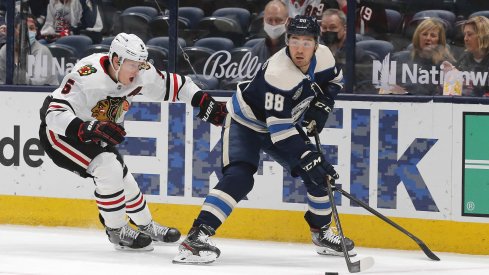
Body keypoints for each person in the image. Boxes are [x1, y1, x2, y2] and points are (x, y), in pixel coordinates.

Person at [173, 15, 356, 264]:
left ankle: (321, 232)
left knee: (319, 177)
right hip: (245, 122)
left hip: (281, 124)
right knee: (239, 177)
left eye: (307, 41)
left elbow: (335, 80)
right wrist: (308, 157)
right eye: (294, 40)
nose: (300, 48)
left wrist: (323, 104)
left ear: (316, 43)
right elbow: (280, 134)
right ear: (287, 40)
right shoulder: (278, 74)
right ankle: (196, 238)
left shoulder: (324, 56)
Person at [38, 32, 228, 251]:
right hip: (62, 136)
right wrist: (86, 128)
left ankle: (146, 225)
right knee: (108, 169)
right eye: (134, 65)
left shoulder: (140, 73)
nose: (139, 70)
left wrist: (203, 101)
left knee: (124, 179)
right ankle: (116, 229)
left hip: (98, 132)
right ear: (117, 60)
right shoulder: (86, 75)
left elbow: (176, 85)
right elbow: (53, 114)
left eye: (141, 64)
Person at [384, 18, 455, 95]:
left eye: (433, 35)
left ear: (439, 40)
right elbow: (385, 90)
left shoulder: (446, 64)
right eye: (424, 34)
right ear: (418, 37)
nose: (428, 38)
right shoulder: (400, 59)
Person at [0, 16, 58, 85]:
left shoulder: (42, 51)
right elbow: (3, 80)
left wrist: (16, 62)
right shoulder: (5, 50)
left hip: (44, 93)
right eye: (24, 29)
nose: (28, 32)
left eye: (32, 28)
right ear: (14, 31)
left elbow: (37, 84)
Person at [442, 16, 489, 97]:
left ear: (483, 36)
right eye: (465, 35)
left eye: (469, 34)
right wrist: (451, 78)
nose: (465, 39)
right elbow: (453, 93)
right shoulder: (464, 59)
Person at [250, 0, 288, 66]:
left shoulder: (296, 49)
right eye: (269, 20)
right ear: (263, 21)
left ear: (287, 22)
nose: (273, 24)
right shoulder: (256, 50)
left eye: (278, 20)